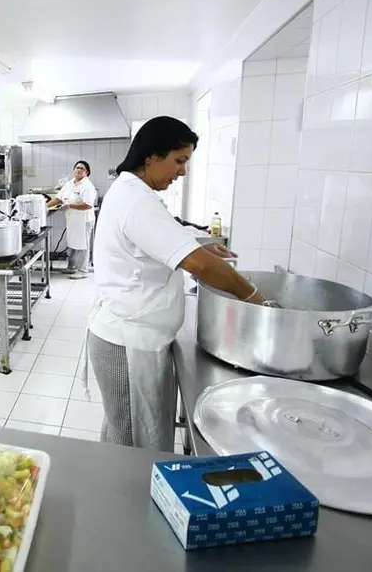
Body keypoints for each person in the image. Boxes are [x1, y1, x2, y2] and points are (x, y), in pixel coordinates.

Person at [87, 116, 264, 450]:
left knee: (125, 434)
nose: (182, 172)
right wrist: (254, 297)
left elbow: (159, 238)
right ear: (151, 156)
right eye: (179, 161)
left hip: (133, 336)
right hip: (126, 343)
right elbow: (201, 267)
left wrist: (199, 242)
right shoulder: (136, 200)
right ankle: (124, 500)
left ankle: (124, 494)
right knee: (128, 443)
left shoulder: (133, 191)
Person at [51, 160, 97, 279]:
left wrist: (70, 206)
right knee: (72, 243)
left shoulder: (87, 186)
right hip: (72, 220)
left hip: (84, 220)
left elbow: (88, 205)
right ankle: (72, 267)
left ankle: (83, 271)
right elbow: (58, 198)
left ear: (87, 172)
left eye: (82, 168)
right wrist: (45, 206)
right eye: (77, 167)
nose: (78, 170)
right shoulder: (69, 184)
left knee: (82, 245)